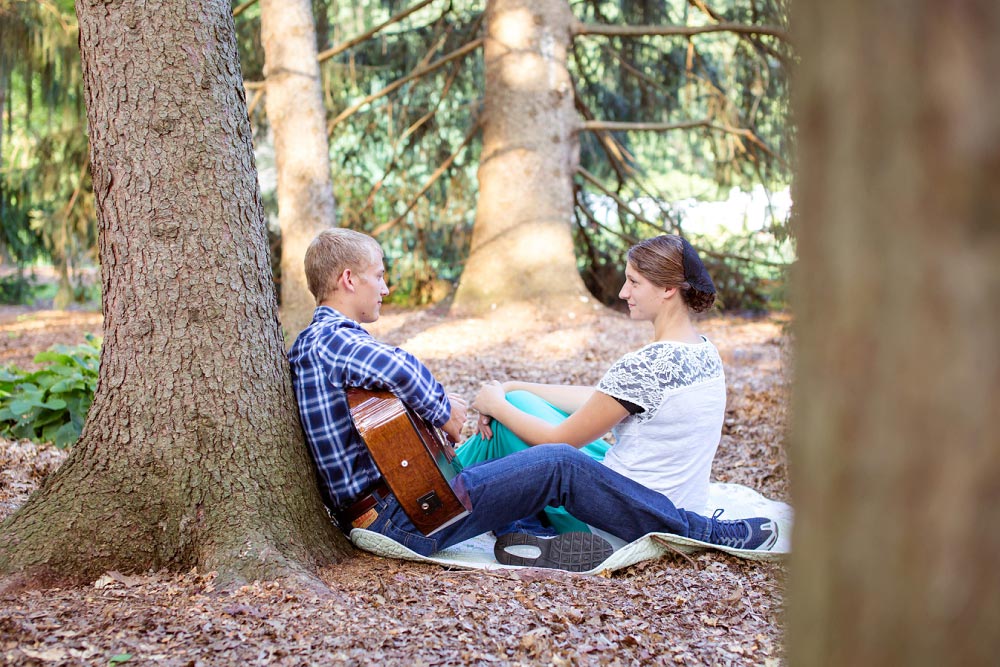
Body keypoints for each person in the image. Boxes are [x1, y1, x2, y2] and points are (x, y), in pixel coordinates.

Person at [288, 228, 779, 572]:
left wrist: (501, 398)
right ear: (348, 279)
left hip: (405, 502)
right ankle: (705, 533)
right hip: (405, 518)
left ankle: (525, 532)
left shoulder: (312, 343)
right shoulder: (335, 341)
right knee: (559, 463)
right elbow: (402, 367)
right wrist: (448, 413)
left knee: (537, 456)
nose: (386, 286)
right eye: (378, 276)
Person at [461, 234, 729, 535]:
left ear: (668, 288)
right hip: (677, 505)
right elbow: (605, 399)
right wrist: (510, 387)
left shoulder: (645, 364)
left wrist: (495, 405)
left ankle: (443, 488)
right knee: (520, 401)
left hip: (620, 518)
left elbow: (558, 442)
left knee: (504, 424)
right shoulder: (704, 350)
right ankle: (454, 483)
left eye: (634, 282)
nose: (623, 291)